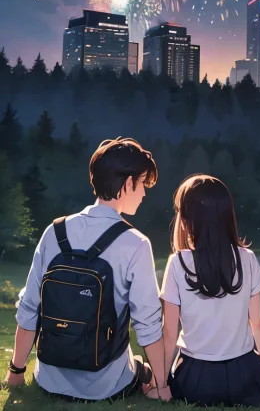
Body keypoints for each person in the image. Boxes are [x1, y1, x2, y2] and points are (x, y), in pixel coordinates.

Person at [4, 137, 171, 403]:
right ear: (128, 183)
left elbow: (29, 308)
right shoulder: (136, 243)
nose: (144, 194)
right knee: (140, 368)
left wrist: (16, 372)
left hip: (49, 379)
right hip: (106, 386)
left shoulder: (54, 232)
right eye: (142, 185)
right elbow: (148, 324)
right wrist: (161, 385)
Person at [155, 174, 260, 406]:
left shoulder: (177, 263)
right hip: (245, 378)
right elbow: (257, 324)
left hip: (196, 381)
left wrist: (162, 385)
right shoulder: (247, 259)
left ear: (187, 219)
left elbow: (169, 332)